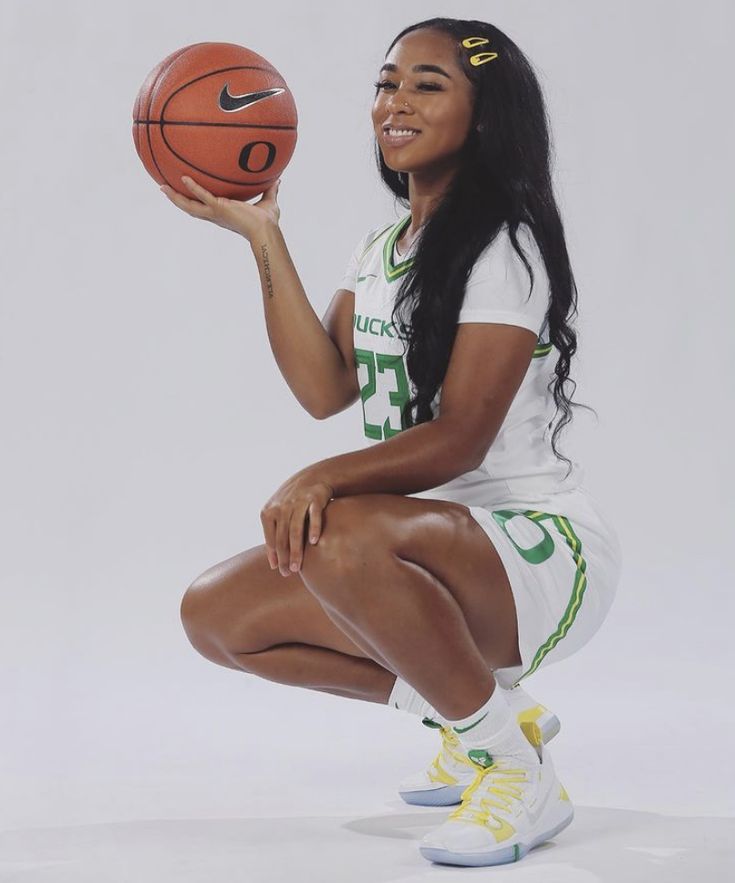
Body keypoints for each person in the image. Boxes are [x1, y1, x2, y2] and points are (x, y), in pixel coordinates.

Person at [162, 16, 623, 869]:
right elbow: (323, 389)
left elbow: (458, 440)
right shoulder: (383, 247)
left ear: (483, 117)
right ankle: (478, 714)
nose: (394, 101)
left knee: (335, 529)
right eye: (385, 82)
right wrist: (264, 238)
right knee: (216, 617)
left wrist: (318, 478)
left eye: (426, 84)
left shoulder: (504, 245)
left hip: (534, 553)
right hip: (401, 554)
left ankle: (515, 772)